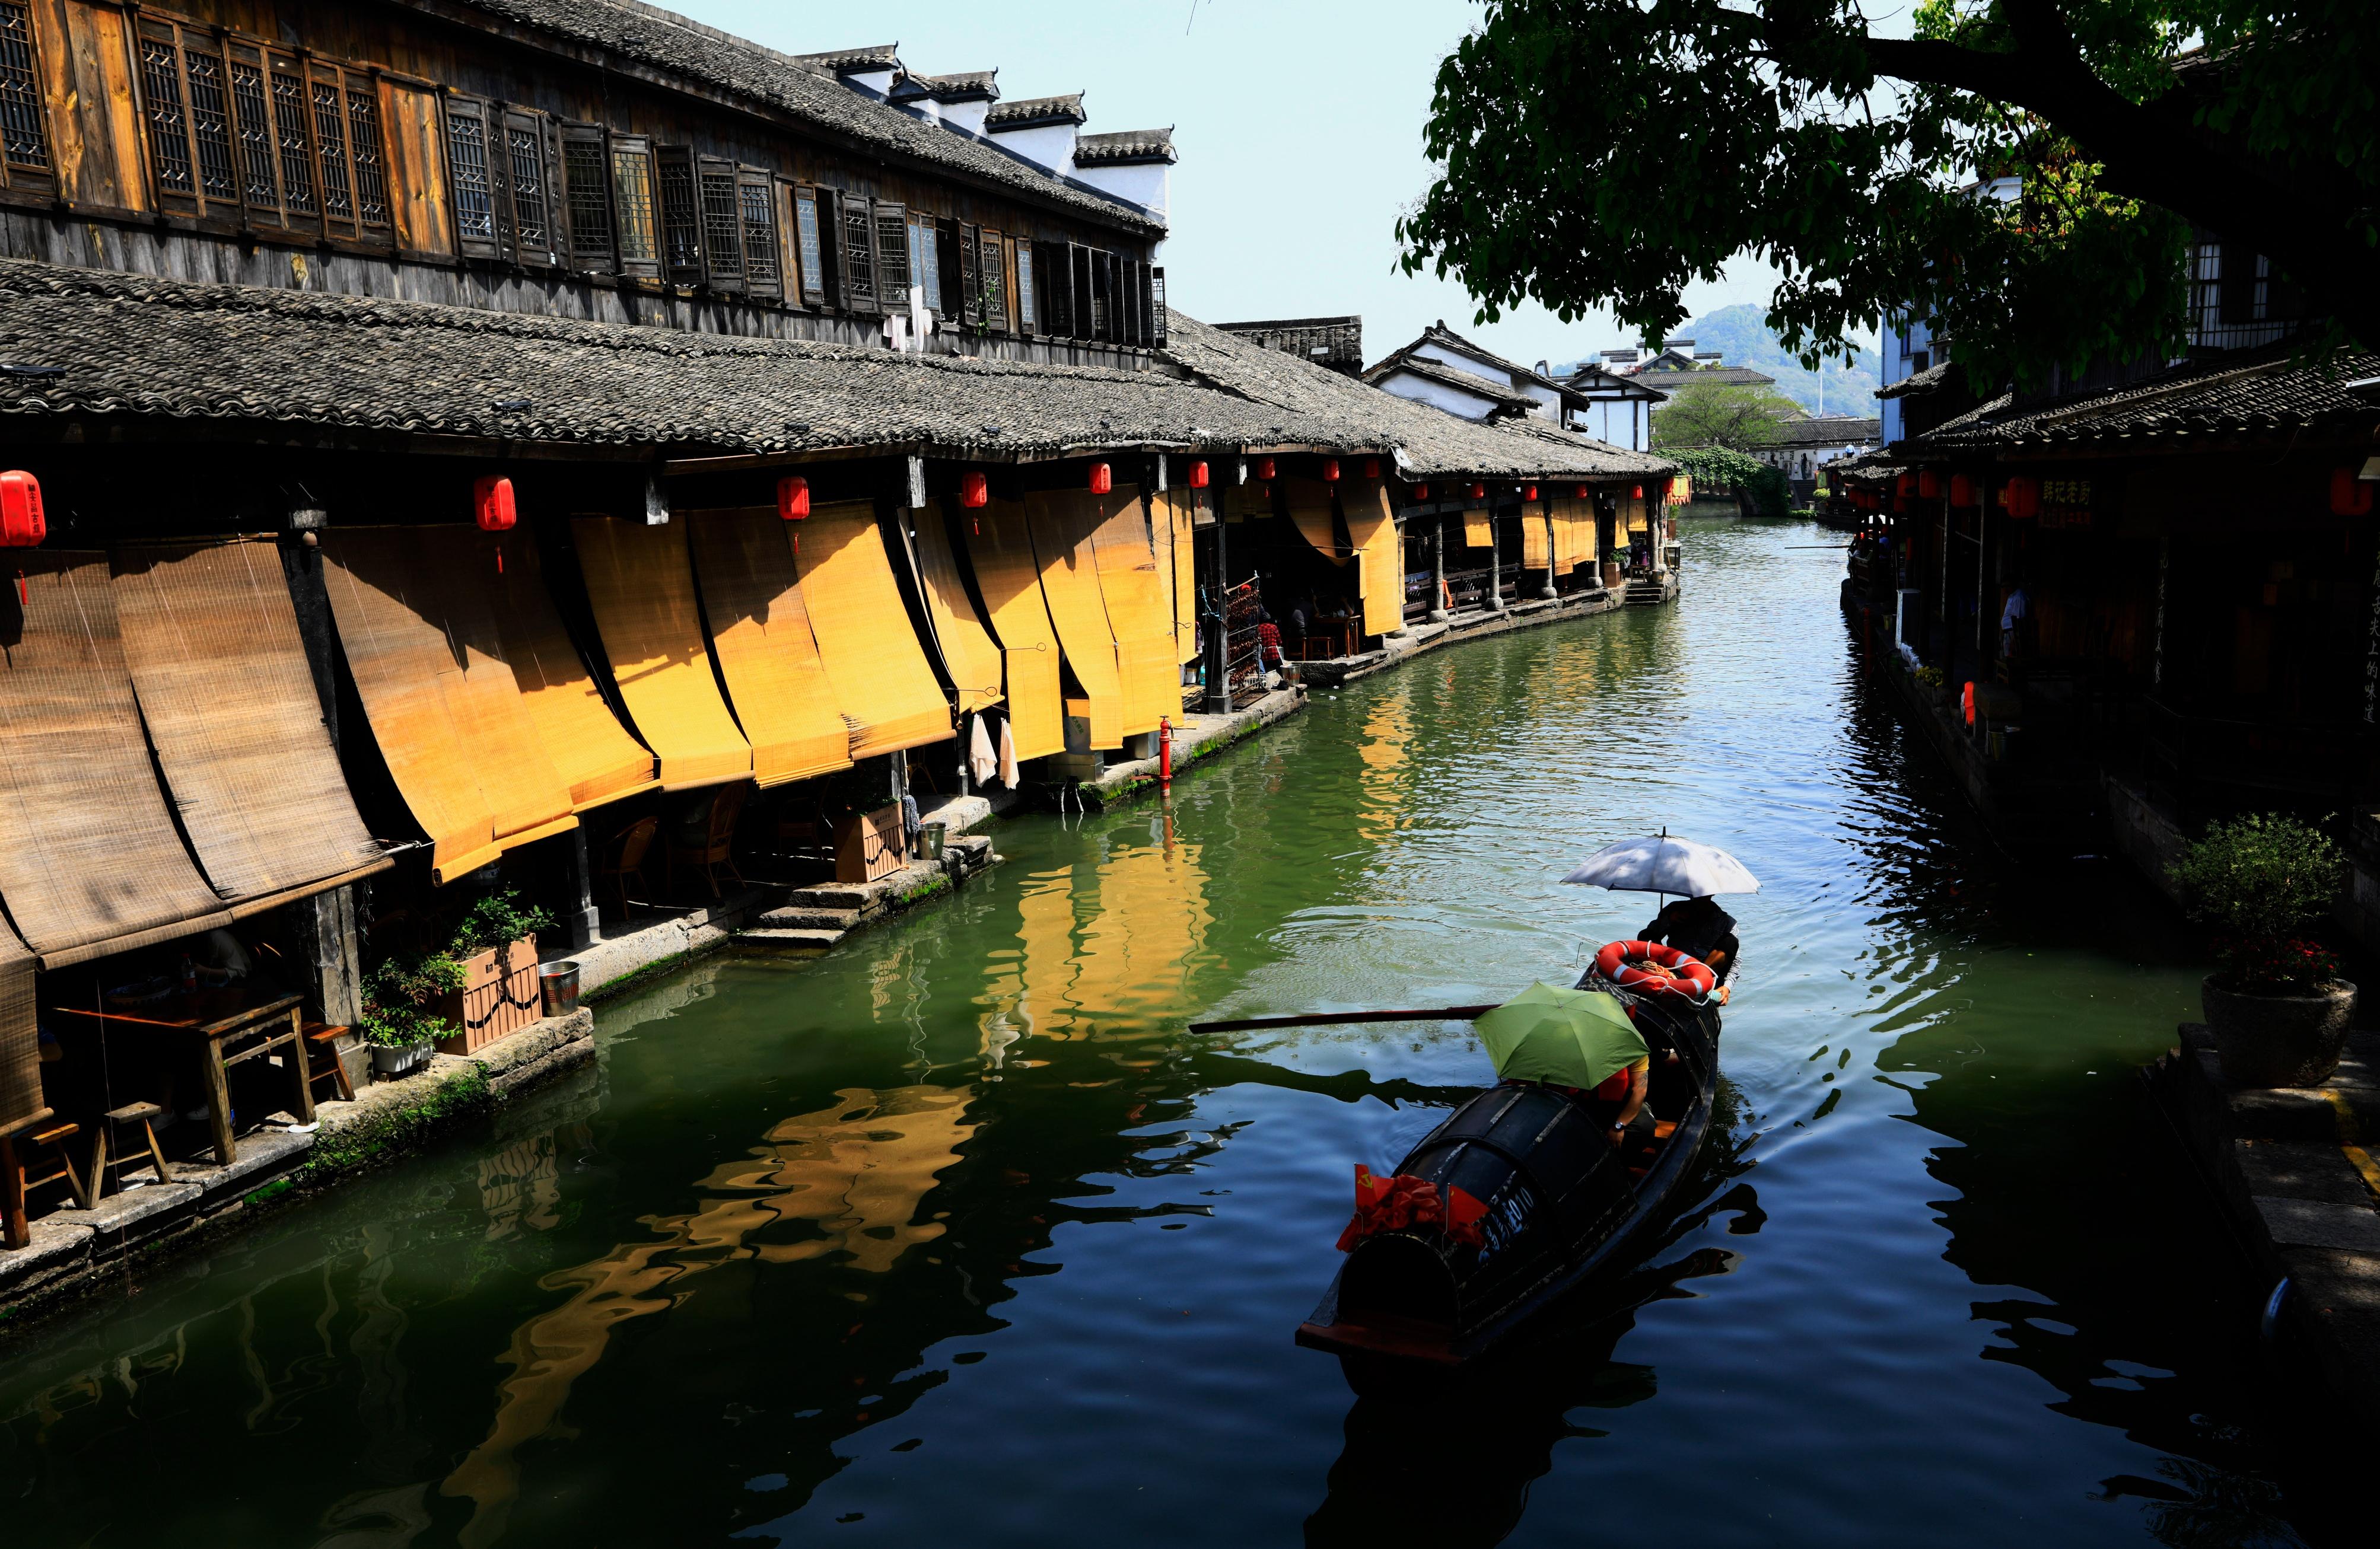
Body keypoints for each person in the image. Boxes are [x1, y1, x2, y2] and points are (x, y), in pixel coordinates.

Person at [1640, 894, 1739, 984]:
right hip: (1674, 963)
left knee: (1730, 941)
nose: (1700, 895)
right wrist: (1670, 919)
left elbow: (1736, 960)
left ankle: (1700, 979)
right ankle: (1657, 971)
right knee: (1646, 935)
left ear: (1713, 893)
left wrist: (1727, 986)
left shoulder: (1727, 922)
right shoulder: (1675, 909)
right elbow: (1652, 935)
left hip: (1706, 970)